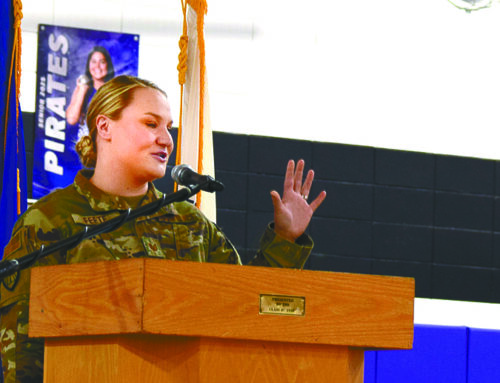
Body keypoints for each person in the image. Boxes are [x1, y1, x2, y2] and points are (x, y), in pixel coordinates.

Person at [0, 75, 326, 382]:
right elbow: (20, 340)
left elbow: (246, 308)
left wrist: (285, 238)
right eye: (150, 123)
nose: (166, 140)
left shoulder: (190, 222)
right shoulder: (50, 221)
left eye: (168, 127)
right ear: (104, 126)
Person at [65, 46, 115, 137]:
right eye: (94, 62)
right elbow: (72, 119)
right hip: (84, 145)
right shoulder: (81, 89)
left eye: (102, 62)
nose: (97, 66)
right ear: (89, 65)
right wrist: (82, 90)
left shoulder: (113, 93)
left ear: (108, 65)